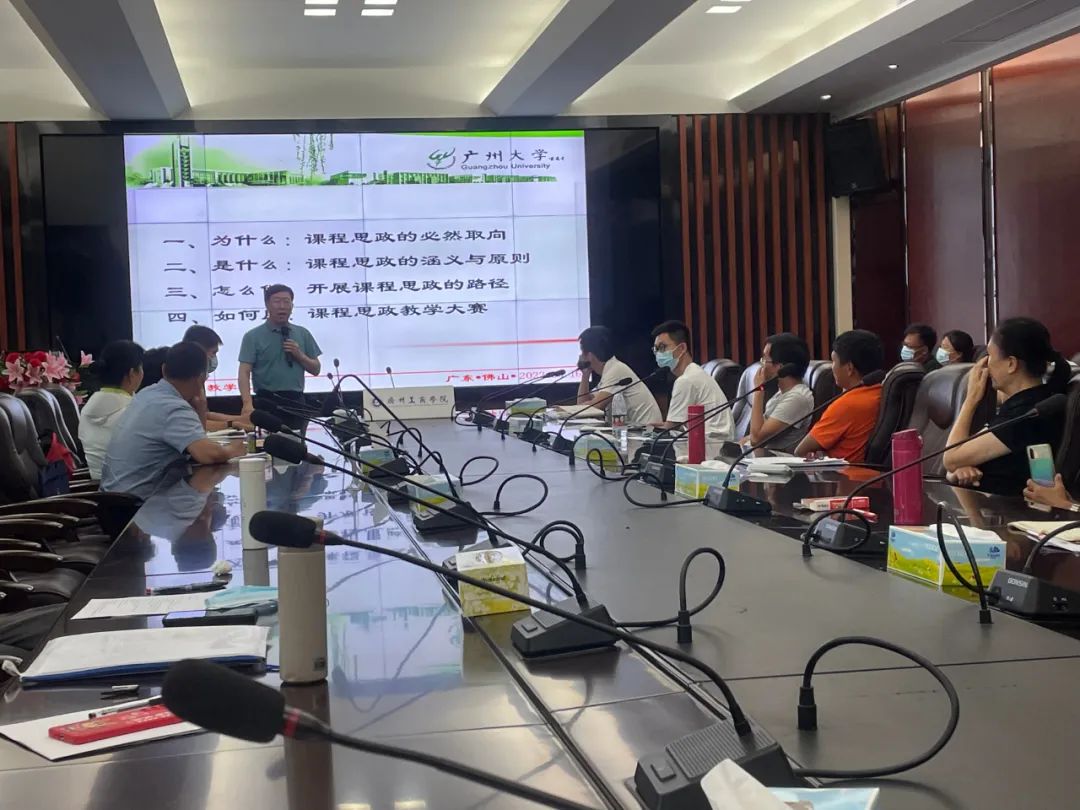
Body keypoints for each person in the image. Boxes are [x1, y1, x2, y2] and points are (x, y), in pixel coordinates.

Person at [100, 342, 246, 498]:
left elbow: (197, 446)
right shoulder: (172, 406)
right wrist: (234, 450)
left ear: (164, 370)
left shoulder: (147, 394)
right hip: (138, 504)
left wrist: (201, 408)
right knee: (205, 500)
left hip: (114, 497)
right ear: (201, 378)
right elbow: (208, 455)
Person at [943, 317, 1069, 495]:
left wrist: (971, 399)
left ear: (1011, 364)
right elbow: (954, 462)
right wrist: (956, 470)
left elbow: (950, 459)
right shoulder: (1022, 404)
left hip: (1009, 509)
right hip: (983, 504)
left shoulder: (1028, 414)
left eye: (990, 355)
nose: (986, 363)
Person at [238, 284, 322, 432]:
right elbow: (244, 372)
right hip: (266, 402)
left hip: (296, 402)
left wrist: (299, 354)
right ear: (267, 305)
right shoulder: (253, 336)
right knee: (267, 442)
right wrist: (247, 403)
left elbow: (316, 369)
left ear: (292, 306)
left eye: (286, 301)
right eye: (277, 301)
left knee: (297, 442)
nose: (282, 306)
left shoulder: (303, 333)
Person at [795, 329, 884, 462]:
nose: (832, 368)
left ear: (849, 368)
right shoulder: (881, 392)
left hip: (840, 473)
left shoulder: (848, 404)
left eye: (833, 361)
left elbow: (801, 451)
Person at [649, 320, 733, 440]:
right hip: (710, 441)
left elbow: (670, 429)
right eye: (656, 349)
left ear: (682, 348)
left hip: (713, 444)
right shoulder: (693, 372)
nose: (658, 353)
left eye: (662, 347)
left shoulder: (686, 380)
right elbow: (675, 426)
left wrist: (648, 430)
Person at [78, 340, 144, 479]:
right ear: (132, 373)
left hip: (96, 488)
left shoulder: (86, 411)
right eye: (141, 368)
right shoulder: (135, 413)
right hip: (134, 487)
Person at [575, 326, 661, 426]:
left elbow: (596, 406)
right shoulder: (609, 370)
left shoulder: (616, 370)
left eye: (582, 352)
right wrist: (585, 375)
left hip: (648, 430)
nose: (581, 356)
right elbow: (583, 402)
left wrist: (570, 411)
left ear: (589, 355)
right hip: (633, 429)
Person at [747, 333, 814, 453]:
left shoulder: (797, 398)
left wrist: (758, 390)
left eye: (765, 360)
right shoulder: (782, 393)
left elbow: (756, 439)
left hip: (777, 461)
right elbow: (754, 436)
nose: (761, 365)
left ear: (780, 367)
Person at [183, 324, 249, 432]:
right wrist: (233, 424)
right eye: (213, 353)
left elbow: (205, 414)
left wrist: (242, 419)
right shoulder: (184, 382)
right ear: (198, 351)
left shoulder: (198, 377)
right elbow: (193, 423)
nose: (214, 358)